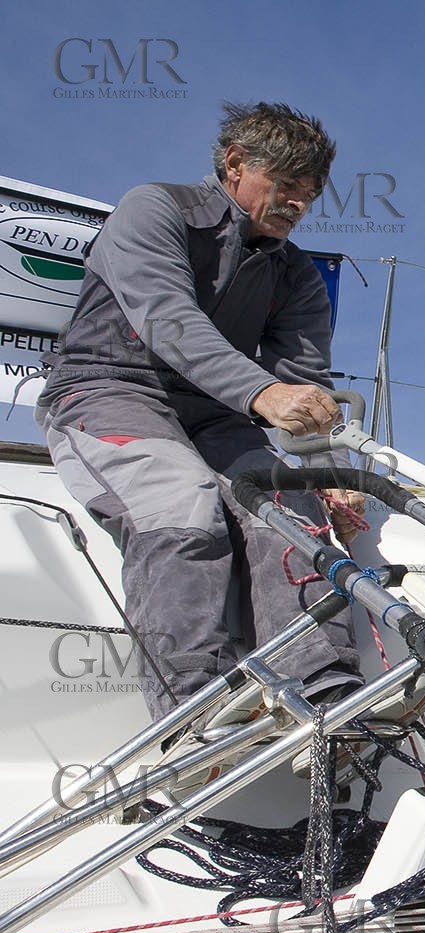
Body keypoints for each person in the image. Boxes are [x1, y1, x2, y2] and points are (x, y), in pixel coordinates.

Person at [37, 101, 367, 721]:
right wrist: (261, 394)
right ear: (235, 164)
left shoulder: (295, 275)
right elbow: (166, 315)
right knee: (181, 499)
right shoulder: (156, 208)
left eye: (310, 193)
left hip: (217, 415)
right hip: (108, 389)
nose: (298, 204)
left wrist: (332, 477)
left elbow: (305, 382)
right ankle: (191, 711)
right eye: (286, 184)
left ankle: (324, 690)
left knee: (291, 503)